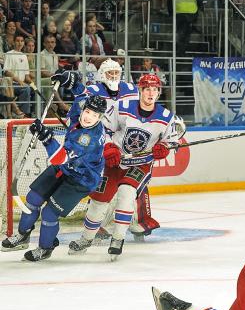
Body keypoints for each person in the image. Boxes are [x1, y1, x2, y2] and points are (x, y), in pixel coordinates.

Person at [67, 74, 181, 259]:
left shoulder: (166, 116)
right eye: (147, 89)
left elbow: (172, 141)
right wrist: (108, 146)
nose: (151, 93)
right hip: (115, 162)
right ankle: (86, 239)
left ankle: (118, 239)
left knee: (126, 194)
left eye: (155, 89)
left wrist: (164, 147)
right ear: (140, 90)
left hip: (140, 164)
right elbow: (103, 129)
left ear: (159, 92)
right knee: (99, 201)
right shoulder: (123, 106)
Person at [1, 95, 107, 261]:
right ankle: (23, 235)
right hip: (65, 168)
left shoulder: (89, 139)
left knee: (49, 213)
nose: (89, 117)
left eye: (95, 115)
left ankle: (45, 247)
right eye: (87, 111)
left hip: (81, 179)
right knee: (32, 199)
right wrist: (71, 82)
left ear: (100, 118)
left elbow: (60, 158)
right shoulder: (78, 112)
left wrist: (46, 137)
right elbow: (80, 94)